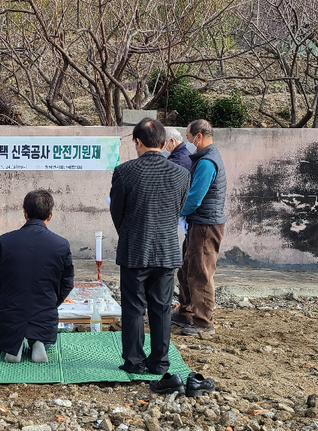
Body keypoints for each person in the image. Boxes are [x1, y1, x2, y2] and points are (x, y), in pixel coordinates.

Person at [109, 117, 190, 375]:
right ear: (164, 143)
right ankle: (160, 362)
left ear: (138, 141)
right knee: (162, 307)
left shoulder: (124, 172)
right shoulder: (181, 174)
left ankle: (133, 361)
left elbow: (117, 212)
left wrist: (129, 232)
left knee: (133, 307)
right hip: (166, 249)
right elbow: (178, 208)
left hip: (135, 248)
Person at [0, 190, 74, 364]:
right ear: (50, 215)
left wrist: (5, 296)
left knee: (8, 332)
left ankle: (14, 345)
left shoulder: (5, 241)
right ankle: (38, 342)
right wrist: (51, 302)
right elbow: (67, 283)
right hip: (44, 317)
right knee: (43, 329)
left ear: (24, 212)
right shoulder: (61, 244)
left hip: (9, 317)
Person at [175, 119, 226, 336]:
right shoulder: (204, 159)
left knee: (201, 272)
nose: (188, 144)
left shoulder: (207, 163)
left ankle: (203, 321)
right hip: (199, 222)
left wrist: (175, 212)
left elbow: (195, 197)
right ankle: (186, 311)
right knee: (187, 268)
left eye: (189, 139)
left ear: (199, 136)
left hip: (206, 224)